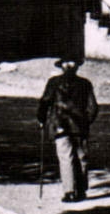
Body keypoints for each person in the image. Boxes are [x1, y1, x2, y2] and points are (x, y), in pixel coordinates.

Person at [37, 58, 99, 202]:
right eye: (67, 62)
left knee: (66, 158)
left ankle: (70, 191)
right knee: (81, 158)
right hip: (78, 126)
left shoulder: (54, 83)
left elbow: (44, 102)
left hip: (60, 125)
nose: (70, 65)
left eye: (71, 62)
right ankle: (81, 190)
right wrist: (86, 121)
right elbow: (93, 108)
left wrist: (41, 119)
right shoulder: (85, 83)